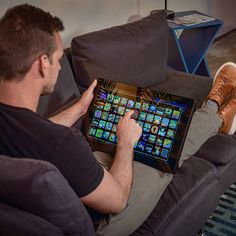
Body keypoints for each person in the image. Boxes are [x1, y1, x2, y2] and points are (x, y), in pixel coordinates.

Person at [0, 4, 235, 236]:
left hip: (71, 186)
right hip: (102, 221)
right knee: (163, 150)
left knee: (117, 139)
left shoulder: (17, 123)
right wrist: (125, 141)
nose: (60, 68)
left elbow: (34, 132)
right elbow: (119, 200)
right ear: (42, 63)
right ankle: (215, 112)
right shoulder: (64, 144)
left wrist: (79, 109)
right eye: (59, 59)